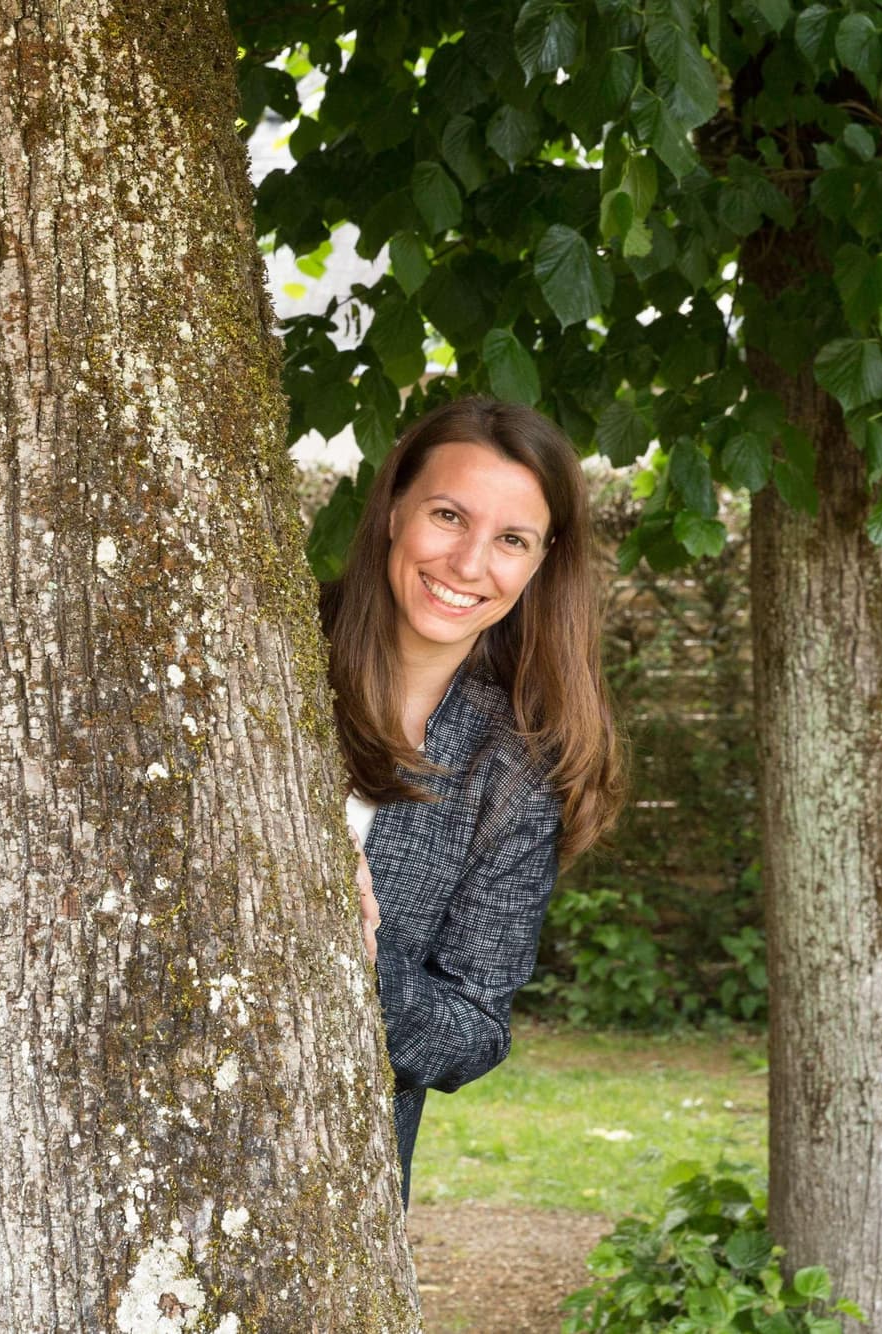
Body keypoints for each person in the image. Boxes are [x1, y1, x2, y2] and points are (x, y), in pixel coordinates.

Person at [324, 396, 626, 1204]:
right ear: (394, 509)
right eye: (449, 516)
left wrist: (363, 957)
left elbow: (473, 1033)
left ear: (540, 563)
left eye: (511, 540)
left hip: (326, 1193)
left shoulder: (513, 773)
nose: (467, 564)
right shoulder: (262, 651)